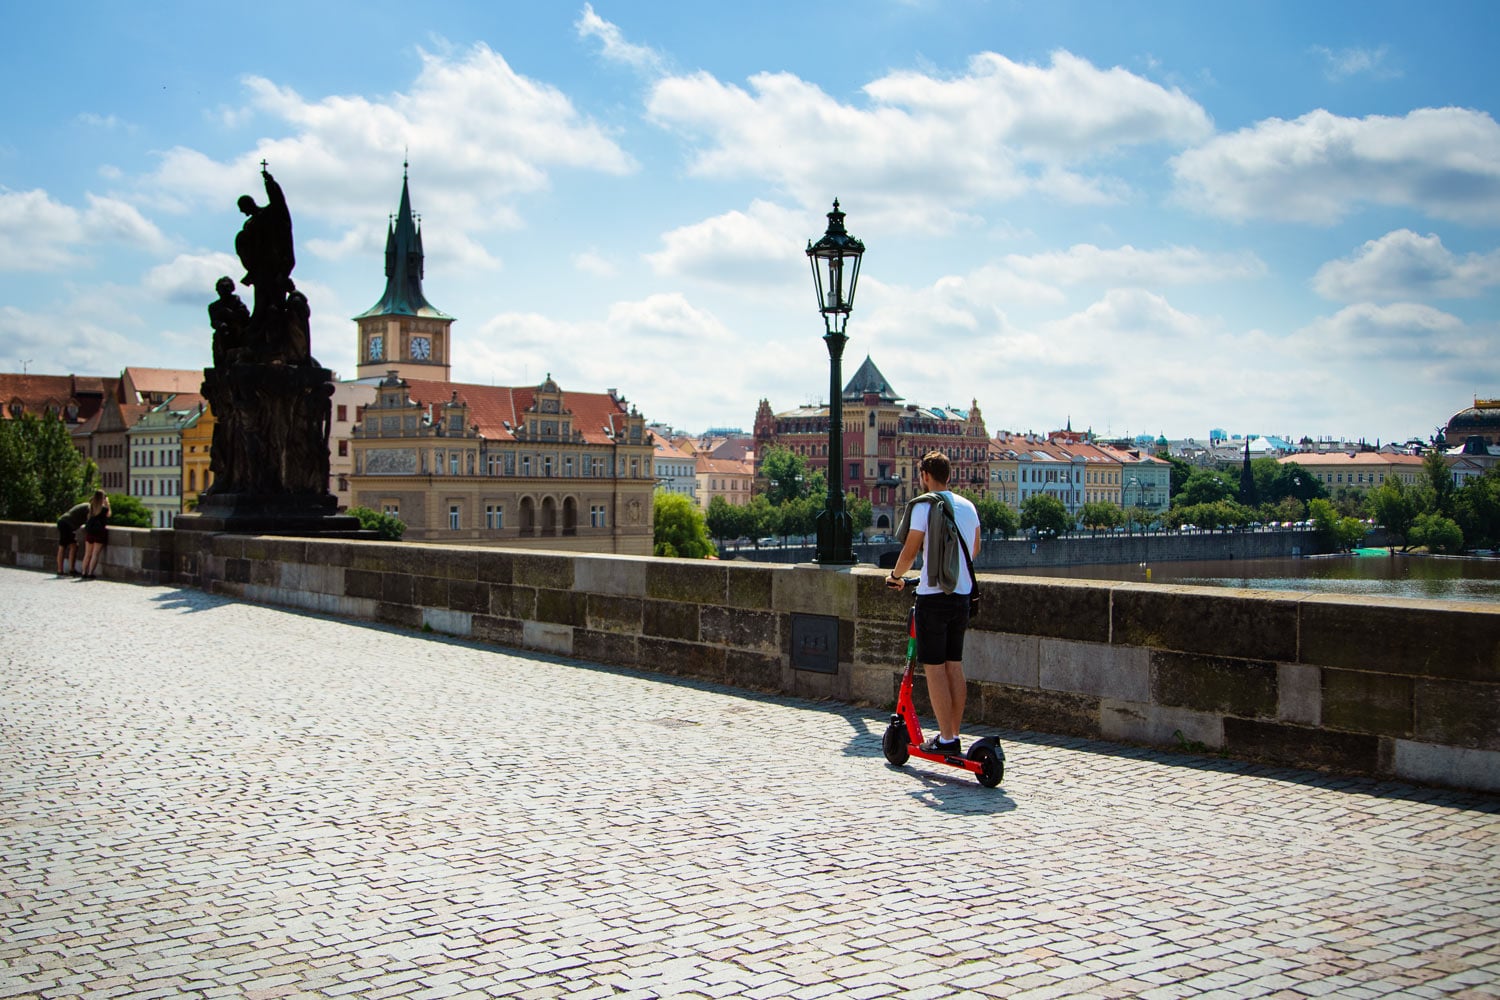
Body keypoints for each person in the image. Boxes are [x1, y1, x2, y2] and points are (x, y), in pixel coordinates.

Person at [886, 451, 981, 755]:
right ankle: (952, 734)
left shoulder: (925, 506)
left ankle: (947, 739)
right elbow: (975, 549)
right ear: (949, 476)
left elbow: (910, 550)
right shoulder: (968, 506)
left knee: (935, 668)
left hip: (934, 598)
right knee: (955, 665)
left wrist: (895, 576)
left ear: (925, 476)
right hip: (962, 596)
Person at [80, 491, 110, 580]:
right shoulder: (103, 509)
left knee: (87, 554)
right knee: (95, 554)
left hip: (90, 532)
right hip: (99, 533)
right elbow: (109, 515)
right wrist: (108, 504)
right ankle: (90, 573)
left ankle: (83, 572)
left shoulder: (91, 507)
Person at [55, 500, 89, 576]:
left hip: (64, 522)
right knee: (64, 546)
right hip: (67, 524)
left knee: (71, 545)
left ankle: (67, 569)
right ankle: (62, 570)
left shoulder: (86, 505)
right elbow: (89, 521)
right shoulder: (89, 508)